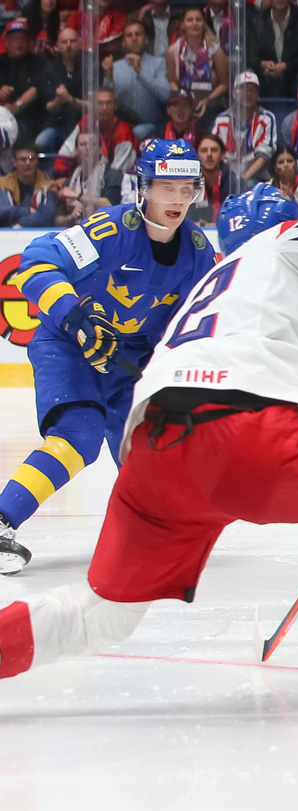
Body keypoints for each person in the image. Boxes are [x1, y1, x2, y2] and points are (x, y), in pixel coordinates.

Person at [0, 184, 298, 710]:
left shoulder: (213, 275)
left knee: (100, 615)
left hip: (152, 453)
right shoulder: (288, 239)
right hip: (240, 435)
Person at [0, 139, 216, 572]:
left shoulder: (198, 252)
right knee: (79, 436)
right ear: (144, 187)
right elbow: (37, 263)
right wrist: (75, 318)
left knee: (145, 447)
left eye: (186, 188)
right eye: (165, 187)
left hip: (129, 361)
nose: (177, 199)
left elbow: (194, 324)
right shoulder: (113, 230)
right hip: (68, 347)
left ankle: (151, 528)